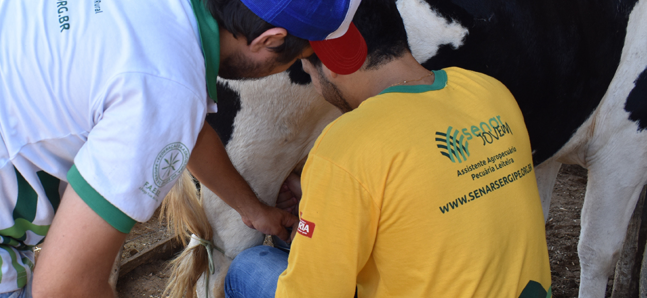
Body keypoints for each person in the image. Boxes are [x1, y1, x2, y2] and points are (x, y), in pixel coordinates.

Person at [0, 0, 357, 296]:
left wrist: (253, 210)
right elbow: (65, 285)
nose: (294, 69)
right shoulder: (166, 85)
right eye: (297, 60)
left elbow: (184, 128)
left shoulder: (164, 19)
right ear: (268, 42)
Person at [223, 0, 553, 297]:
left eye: (306, 64)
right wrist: (320, 203)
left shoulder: (347, 144)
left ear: (335, 61)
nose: (309, 74)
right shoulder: (488, 89)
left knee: (249, 266)